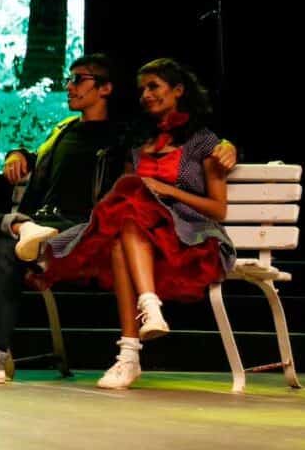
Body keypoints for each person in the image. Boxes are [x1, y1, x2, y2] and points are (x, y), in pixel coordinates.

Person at [0, 54, 235, 384]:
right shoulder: (68, 132)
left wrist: (230, 148)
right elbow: (38, 157)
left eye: (79, 79)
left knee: (16, 244)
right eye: (70, 79)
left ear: (105, 89)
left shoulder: (123, 136)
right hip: (45, 224)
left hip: (88, 228)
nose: (70, 86)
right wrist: (18, 153)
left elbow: (196, 160)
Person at [37, 59, 236, 390]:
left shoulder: (204, 141)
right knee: (125, 217)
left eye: (154, 86)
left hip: (189, 236)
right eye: (142, 89)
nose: (146, 95)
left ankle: (133, 343)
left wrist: (167, 189)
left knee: (131, 196)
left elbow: (218, 209)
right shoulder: (136, 140)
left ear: (178, 90)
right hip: (141, 235)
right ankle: (135, 339)